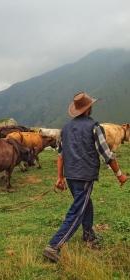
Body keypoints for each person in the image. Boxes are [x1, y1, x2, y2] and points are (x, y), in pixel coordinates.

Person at [43, 91, 128, 263]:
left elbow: (60, 155)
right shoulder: (95, 127)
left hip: (71, 176)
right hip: (84, 176)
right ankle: (53, 246)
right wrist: (119, 175)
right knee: (78, 211)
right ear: (88, 108)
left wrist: (60, 177)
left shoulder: (65, 128)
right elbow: (107, 155)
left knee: (85, 205)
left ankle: (89, 237)